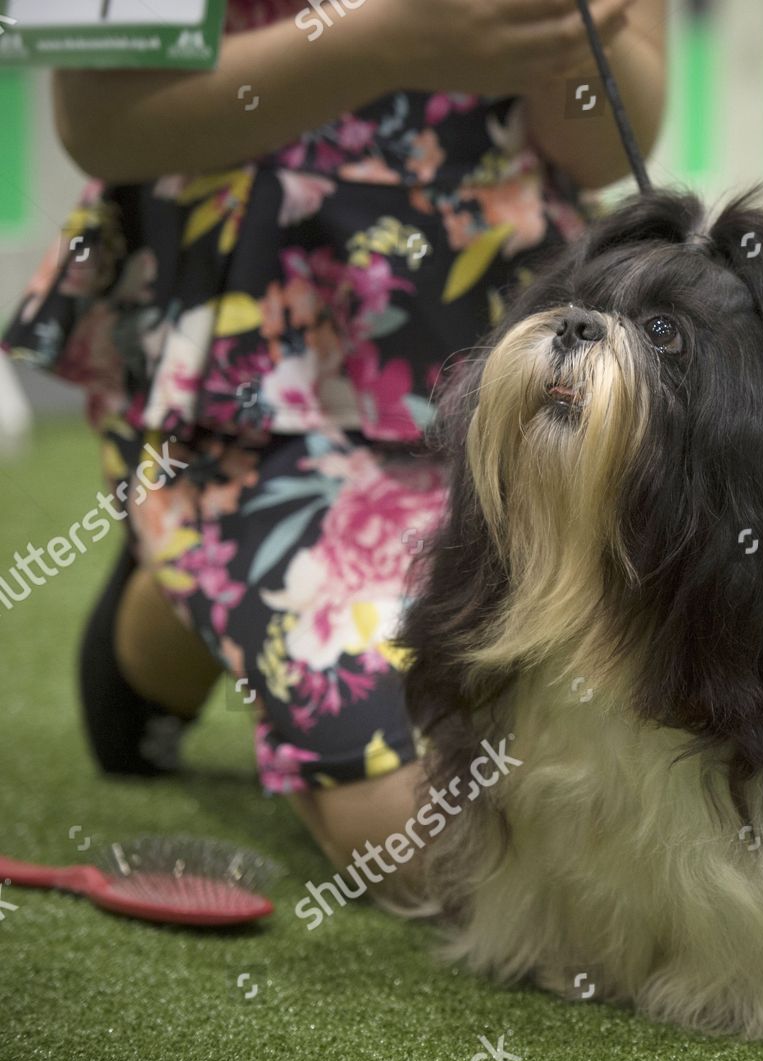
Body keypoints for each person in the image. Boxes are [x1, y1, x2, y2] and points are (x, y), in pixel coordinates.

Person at [0, 0, 667, 901]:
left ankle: (186, 590)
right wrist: (395, 41)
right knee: (435, 844)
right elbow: (104, 124)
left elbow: (607, 141)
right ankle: (191, 586)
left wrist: (560, 36)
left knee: (640, 750)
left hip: (509, 345)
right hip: (249, 385)